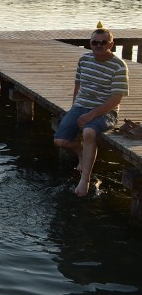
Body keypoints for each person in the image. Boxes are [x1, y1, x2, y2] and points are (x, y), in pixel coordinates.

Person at [53, 28, 129, 197]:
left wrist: (92, 114)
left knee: (88, 131)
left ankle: (85, 179)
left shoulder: (118, 66)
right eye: (95, 42)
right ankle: (81, 152)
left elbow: (116, 99)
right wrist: (74, 108)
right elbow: (78, 85)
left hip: (106, 111)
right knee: (59, 140)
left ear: (111, 44)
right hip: (80, 106)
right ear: (90, 43)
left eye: (103, 42)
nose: (99, 45)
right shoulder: (84, 59)